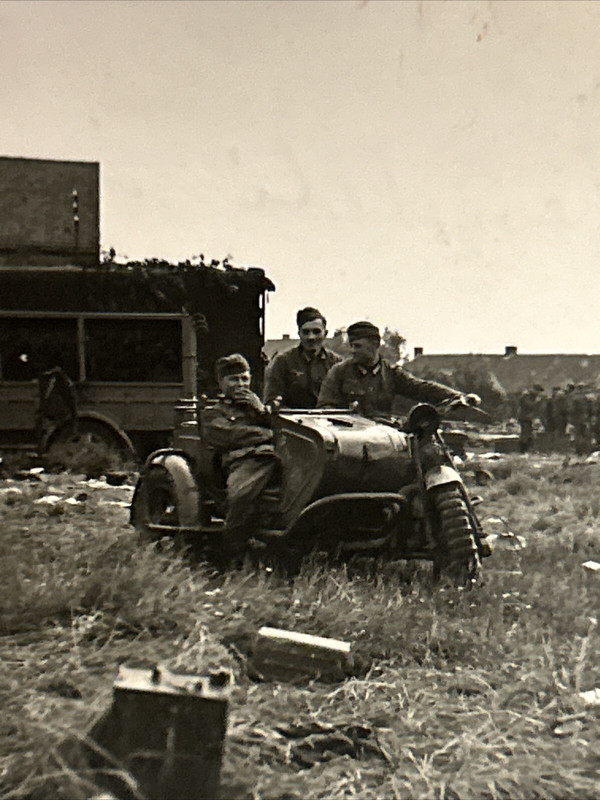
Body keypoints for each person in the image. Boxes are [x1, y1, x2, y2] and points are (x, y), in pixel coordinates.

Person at [200, 354, 279, 566]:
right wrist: (268, 434)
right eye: (233, 379)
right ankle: (231, 554)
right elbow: (228, 436)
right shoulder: (213, 412)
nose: (241, 385)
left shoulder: (260, 409)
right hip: (243, 461)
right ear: (221, 382)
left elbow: (286, 428)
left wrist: (261, 410)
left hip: (277, 459)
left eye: (245, 378)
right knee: (241, 496)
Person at [316, 321, 480, 415]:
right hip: (349, 441)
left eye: (357, 346)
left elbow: (421, 388)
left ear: (375, 345)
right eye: (351, 346)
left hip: (383, 439)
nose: (352, 351)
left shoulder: (390, 374)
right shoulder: (339, 372)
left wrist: (459, 396)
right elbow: (324, 408)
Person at [263, 307, 342, 408]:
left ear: (325, 333)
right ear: (299, 334)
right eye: (306, 332)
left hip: (329, 419)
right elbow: (272, 398)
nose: (311, 337)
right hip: (292, 419)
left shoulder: (336, 363)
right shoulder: (282, 362)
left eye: (316, 331)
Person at [517, 384, 543, 453]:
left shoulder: (531, 396)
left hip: (528, 417)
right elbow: (529, 405)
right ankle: (522, 450)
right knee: (525, 434)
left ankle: (527, 449)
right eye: (538, 391)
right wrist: (537, 402)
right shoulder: (526, 396)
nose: (538, 393)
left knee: (529, 433)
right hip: (524, 417)